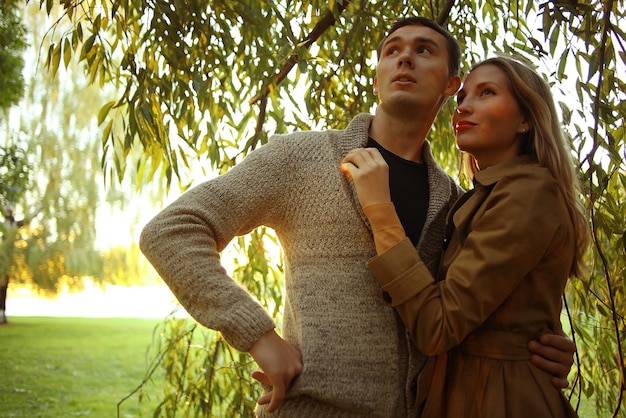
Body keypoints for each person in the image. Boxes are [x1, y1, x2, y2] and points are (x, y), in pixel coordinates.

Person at [139, 18, 575, 417]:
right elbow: (172, 231)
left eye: (424, 50)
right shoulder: (301, 157)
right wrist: (258, 335)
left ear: (449, 85)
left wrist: (529, 347)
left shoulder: (454, 200)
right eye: (391, 50)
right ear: (377, 77)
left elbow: (462, 309)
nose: (404, 57)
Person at [341, 55, 587, 417]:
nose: (464, 107)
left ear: (525, 119)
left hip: (497, 400)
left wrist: (380, 209)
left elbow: (439, 325)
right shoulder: (473, 197)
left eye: (486, 93)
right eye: (461, 99)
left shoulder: (529, 193)